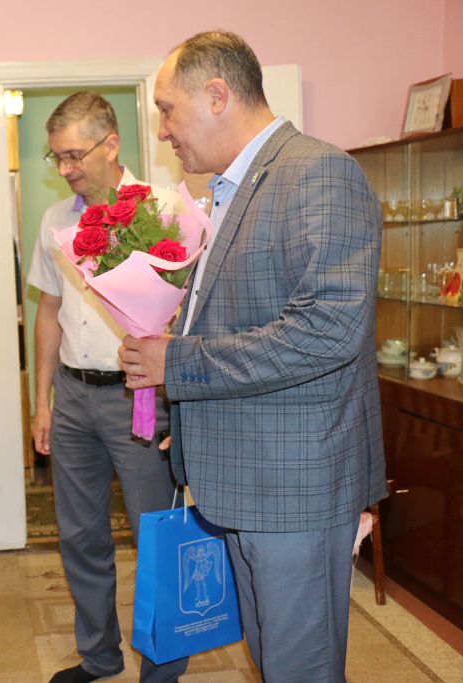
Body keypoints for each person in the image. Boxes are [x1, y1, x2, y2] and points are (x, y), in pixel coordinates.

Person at [118, 31, 387, 681]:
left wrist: (177, 364)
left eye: (167, 109)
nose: (163, 130)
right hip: (245, 477)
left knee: (300, 666)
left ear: (217, 96)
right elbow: (244, 321)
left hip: (293, 489)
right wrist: (189, 413)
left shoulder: (318, 172)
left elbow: (327, 330)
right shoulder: (230, 189)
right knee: (274, 661)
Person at [27, 91, 186, 683]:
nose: (65, 168)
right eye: (57, 157)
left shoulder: (163, 210)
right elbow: (48, 312)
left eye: (74, 155)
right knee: (79, 536)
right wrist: (40, 402)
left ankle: (162, 669)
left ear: (111, 144)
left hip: (138, 396)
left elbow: (188, 312)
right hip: (72, 396)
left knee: (155, 537)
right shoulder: (55, 220)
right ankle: (98, 656)